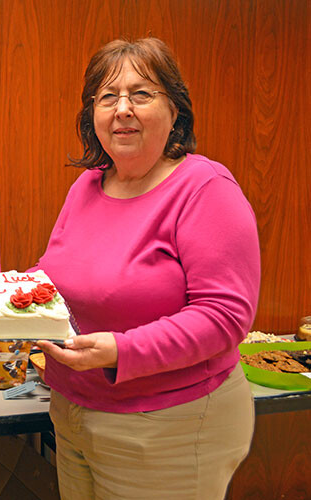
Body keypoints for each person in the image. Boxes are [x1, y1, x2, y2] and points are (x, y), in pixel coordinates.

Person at [34, 38, 260, 499]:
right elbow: (51, 277)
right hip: (74, 411)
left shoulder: (204, 188)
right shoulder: (87, 186)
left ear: (175, 111)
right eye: (107, 97)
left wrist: (121, 350)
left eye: (141, 94)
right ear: (91, 115)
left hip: (170, 425)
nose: (122, 109)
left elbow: (225, 316)